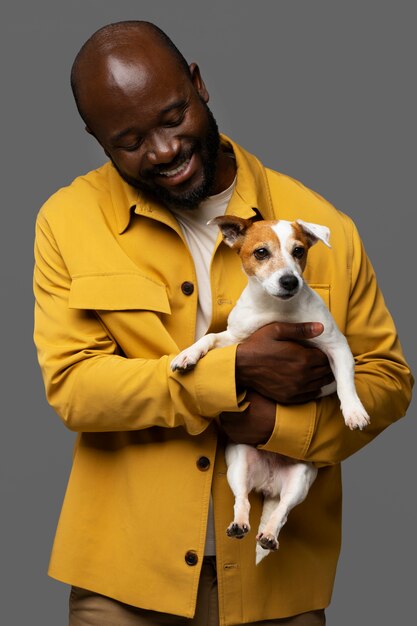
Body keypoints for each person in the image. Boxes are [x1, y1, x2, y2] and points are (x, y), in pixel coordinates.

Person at [33, 20, 413, 626]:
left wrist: (279, 424)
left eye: (172, 118)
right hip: (122, 588)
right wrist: (230, 374)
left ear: (199, 84)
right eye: (128, 141)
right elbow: (76, 388)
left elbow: (388, 381)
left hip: (277, 585)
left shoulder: (320, 224)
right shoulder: (66, 221)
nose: (162, 151)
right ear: (96, 138)